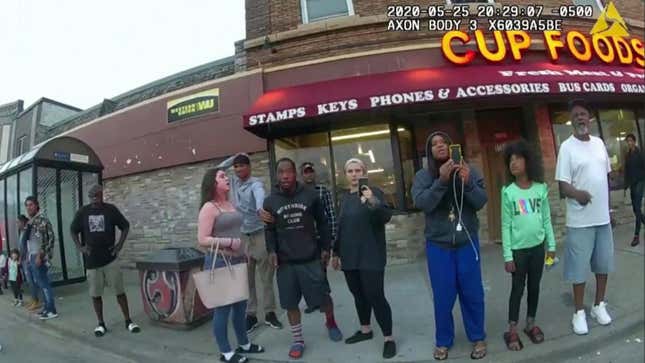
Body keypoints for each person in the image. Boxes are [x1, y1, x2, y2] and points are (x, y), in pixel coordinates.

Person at [411, 131, 488, 360]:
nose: (440, 146)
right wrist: (442, 182)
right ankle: (443, 340)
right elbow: (423, 203)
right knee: (443, 297)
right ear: (429, 152)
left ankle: (477, 337)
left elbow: (481, 201)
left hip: (466, 243)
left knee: (473, 294)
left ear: (452, 146)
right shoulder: (423, 176)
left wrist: (468, 183)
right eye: (434, 144)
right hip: (439, 246)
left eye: (444, 142)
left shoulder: (470, 170)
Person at [260, 161, 343, 342]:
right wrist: (272, 251)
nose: (285, 176)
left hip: (311, 258)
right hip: (286, 262)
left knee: (323, 297)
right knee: (290, 304)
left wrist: (325, 247)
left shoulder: (311, 195)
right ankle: (298, 339)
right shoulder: (270, 201)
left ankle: (331, 323)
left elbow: (323, 222)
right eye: (281, 172)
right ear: (276, 175)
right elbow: (269, 230)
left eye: (288, 171)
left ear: (295, 174)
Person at [555, 99, 614, 335]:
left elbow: (605, 176)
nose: (581, 118)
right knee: (579, 270)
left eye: (584, 114)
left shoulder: (599, 143)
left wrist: (608, 207)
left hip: (602, 219)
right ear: (571, 120)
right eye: (576, 115)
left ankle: (598, 306)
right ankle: (578, 312)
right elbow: (562, 186)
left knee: (603, 266)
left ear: (589, 118)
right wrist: (578, 194)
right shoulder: (567, 148)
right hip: (580, 221)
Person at [331, 158, 397, 359]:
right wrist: (335, 252)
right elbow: (340, 227)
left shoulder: (374, 192)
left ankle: (388, 338)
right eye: (350, 171)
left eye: (358, 170)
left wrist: (371, 200)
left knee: (375, 295)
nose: (354, 174)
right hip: (350, 256)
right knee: (358, 295)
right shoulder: (343, 198)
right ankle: (366, 330)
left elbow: (386, 216)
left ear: (364, 172)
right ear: (345, 174)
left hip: (371, 255)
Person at [197, 168, 265, 363]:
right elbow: (202, 239)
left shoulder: (229, 204)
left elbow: (237, 231)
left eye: (226, 176)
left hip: (237, 260)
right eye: (222, 176)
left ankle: (244, 343)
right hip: (219, 261)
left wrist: (244, 252)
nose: (227, 178)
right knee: (223, 308)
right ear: (213, 183)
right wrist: (228, 242)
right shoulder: (209, 207)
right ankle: (225, 352)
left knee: (240, 306)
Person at [501, 140, 556, 351]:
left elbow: (546, 219)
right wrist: (508, 256)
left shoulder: (540, 189)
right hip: (517, 251)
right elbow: (505, 226)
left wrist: (550, 246)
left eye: (518, 158)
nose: (513, 163)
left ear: (528, 161)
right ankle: (512, 329)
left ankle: (530, 323)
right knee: (517, 289)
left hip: (537, 249)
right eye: (510, 160)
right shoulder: (508, 192)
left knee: (534, 287)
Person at [217, 153, 282, 332]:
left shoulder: (256, 184)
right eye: (236, 167)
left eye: (241, 166)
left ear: (249, 167)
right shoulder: (233, 182)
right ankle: (251, 315)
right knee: (247, 279)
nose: (238, 169)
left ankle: (270, 313)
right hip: (242, 237)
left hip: (259, 234)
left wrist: (261, 209)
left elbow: (259, 196)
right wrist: (234, 157)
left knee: (266, 278)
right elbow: (217, 170)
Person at [70, 185, 140, 336]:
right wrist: (80, 247)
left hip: (110, 259)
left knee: (119, 291)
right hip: (92, 261)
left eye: (97, 195)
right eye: (92, 196)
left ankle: (128, 321)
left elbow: (125, 226)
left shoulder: (111, 210)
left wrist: (119, 245)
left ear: (102, 195)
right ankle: (101, 324)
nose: (94, 198)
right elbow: (73, 229)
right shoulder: (83, 212)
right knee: (96, 294)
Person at [24, 196, 58, 320]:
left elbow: (50, 239)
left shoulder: (42, 219)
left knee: (44, 284)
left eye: (31, 204)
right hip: (32, 256)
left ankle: (52, 310)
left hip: (40, 257)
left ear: (37, 205)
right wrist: (29, 256)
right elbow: (31, 241)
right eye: (27, 205)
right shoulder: (31, 221)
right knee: (40, 283)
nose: (29, 207)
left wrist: (41, 255)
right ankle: (46, 308)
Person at [624, 133, 645, 247]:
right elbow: (627, 171)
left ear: (634, 142)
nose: (629, 143)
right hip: (632, 184)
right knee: (635, 209)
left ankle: (636, 236)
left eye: (631, 141)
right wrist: (625, 186)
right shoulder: (627, 155)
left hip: (640, 182)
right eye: (628, 141)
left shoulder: (640, 154)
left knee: (637, 208)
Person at [18, 214, 42, 311]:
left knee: (32, 280)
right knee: (29, 281)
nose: (17, 224)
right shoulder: (22, 231)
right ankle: (34, 299)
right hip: (24, 259)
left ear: (23, 222)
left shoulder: (28, 231)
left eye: (18, 222)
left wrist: (23, 257)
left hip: (28, 258)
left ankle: (36, 300)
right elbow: (21, 245)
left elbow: (27, 246)